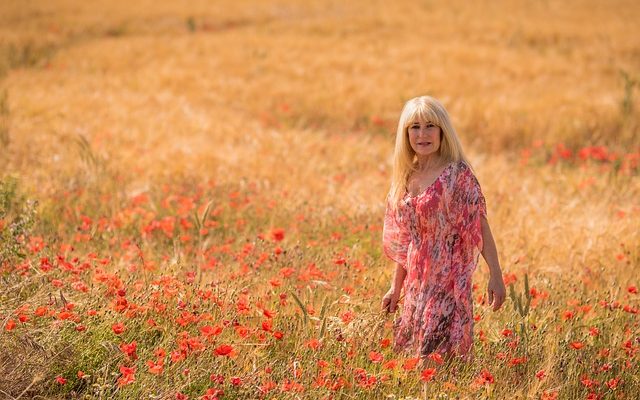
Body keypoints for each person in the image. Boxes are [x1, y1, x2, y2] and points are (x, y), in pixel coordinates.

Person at [381, 95, 506, 360]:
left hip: (448, 279)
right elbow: (408, 239)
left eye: (430, 126)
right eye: (414, 127)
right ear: (406, 133)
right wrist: (395, 287)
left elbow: (479, 226)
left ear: (442, 131)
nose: (422, 134)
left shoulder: (456, 174)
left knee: (437, 359)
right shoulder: (406, 175)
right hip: (416, 281)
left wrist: (496, 274)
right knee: (414, 359)